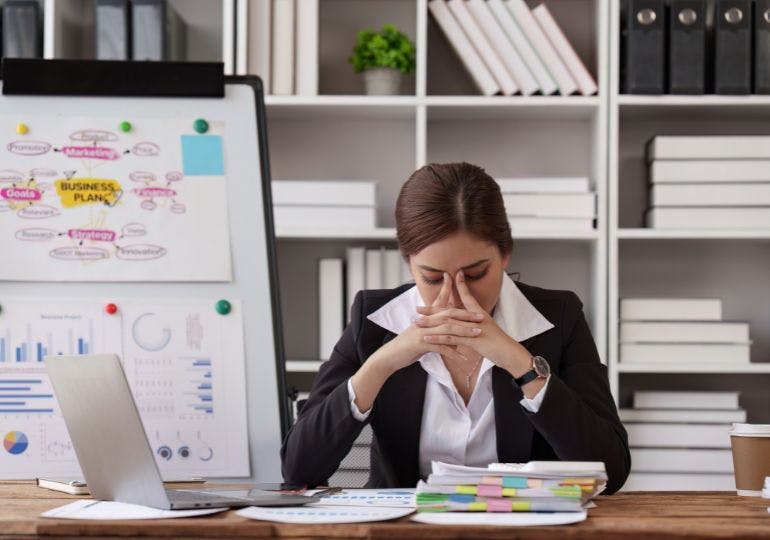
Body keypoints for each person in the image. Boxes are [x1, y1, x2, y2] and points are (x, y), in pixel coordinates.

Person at [281, 162, 630, 493]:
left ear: (505, 254)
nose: (454, 296)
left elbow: (611, 471)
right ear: (408, 263)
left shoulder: (560, 317)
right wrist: (382, 363)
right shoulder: (373, 320)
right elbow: (299, 470)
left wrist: (520, 364)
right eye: (432, 278)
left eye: (476, 274)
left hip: (522, 526)